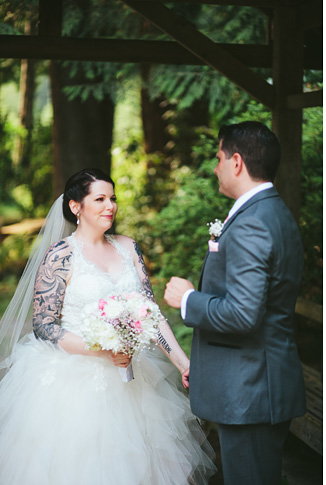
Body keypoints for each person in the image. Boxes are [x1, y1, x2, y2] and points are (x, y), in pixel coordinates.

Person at [0, 168, 216, 484]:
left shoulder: (128, 247)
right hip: (73, 382)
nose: (110, 206)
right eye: (100, 198)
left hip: (133, 382)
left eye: (112, 198)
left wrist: (183, 363)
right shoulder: (61, 255)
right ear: (76, 207)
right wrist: (102, 350)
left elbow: (150, 313)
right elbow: (45, 325)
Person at [164, 121, 306, 485]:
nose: (215, 168)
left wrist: (188, 300)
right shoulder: (274, 212)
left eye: (219, 158)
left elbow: (243, 314)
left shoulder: (252, 223)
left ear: (237, 162)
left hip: (250, 390)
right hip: (258, 383)